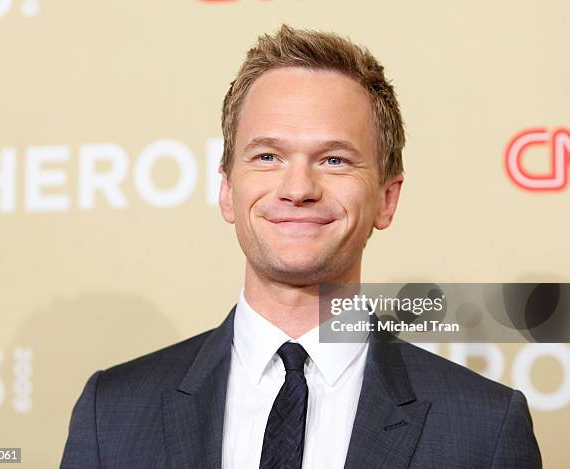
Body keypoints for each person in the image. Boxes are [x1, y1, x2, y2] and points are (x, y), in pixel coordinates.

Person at [60, 25, 542, 468]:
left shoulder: (485, 429)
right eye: (267, 156)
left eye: (334, 159)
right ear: (227, 190)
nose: (298, 188)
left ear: (386, 199)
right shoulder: (112, 413)